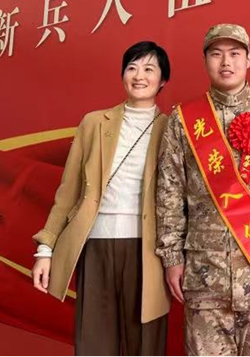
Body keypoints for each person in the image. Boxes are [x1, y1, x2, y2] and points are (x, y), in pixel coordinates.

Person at [156, 24, 250, 357]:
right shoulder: (184, 120)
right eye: (216, 54)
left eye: (235, 53)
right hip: (206, 277)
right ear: (205, 60)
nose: (226, 62)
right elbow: (170, 191)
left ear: (249, 59)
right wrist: (172, 257)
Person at [31, 41, 171, 357]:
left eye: (149, 69)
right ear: (123, 75)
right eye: (132, 68)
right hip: (95, 244)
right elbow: (68, 191)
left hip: (148, 250)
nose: (139, 76)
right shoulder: (94, 123)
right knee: (94, 341)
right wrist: (45, 249)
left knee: (145, 343)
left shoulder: (172, 129)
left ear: (162, 80)